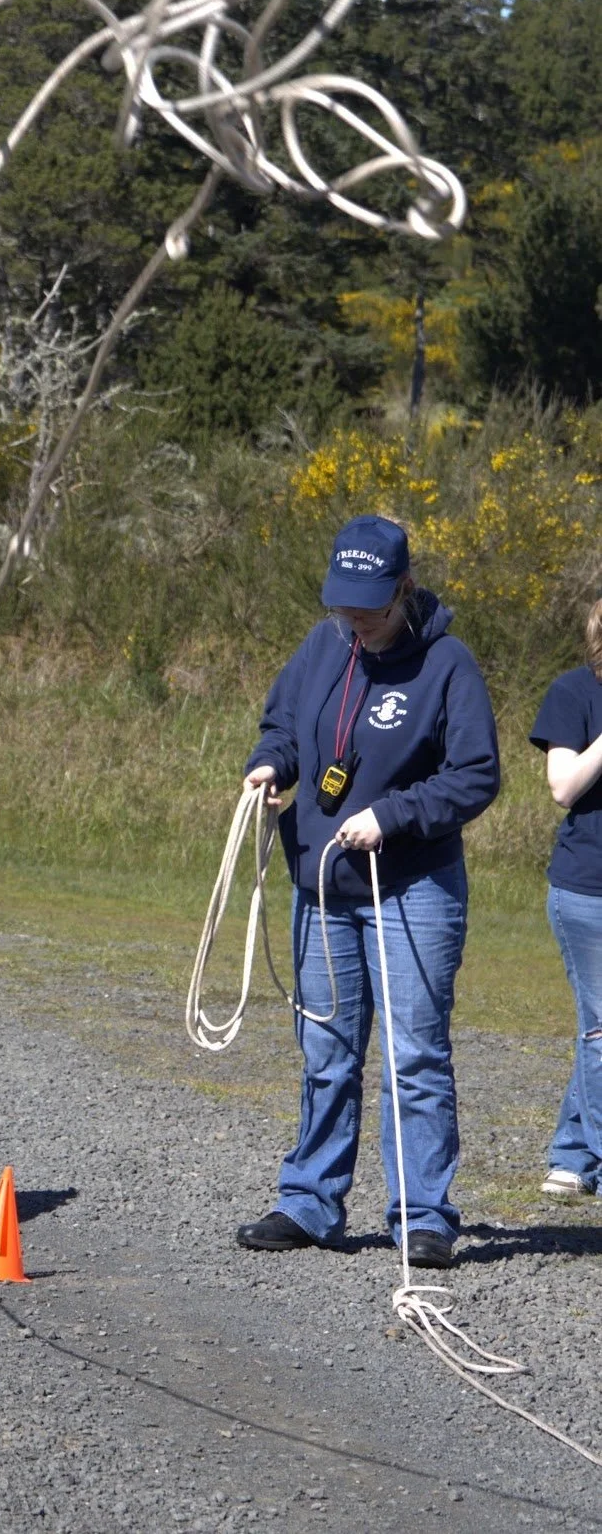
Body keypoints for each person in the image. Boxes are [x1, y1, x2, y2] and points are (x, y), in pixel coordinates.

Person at [235, 514, 500, 1269]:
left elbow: (476, 774)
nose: (354, 621)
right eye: (342, 605)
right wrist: (270, 766)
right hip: (323, 885)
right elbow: (283, 725)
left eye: (369, 608)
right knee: (327, 1049)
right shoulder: (323, 646)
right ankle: (310, 1201)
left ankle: (423, 1214)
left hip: (412, 887)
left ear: (403, 589)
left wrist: (395, 814)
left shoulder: (448, 664)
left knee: (413, 1055)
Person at [528, 601, 602, 1199]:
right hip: (588, 891)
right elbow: (563, 786)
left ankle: (573, 1155)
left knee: (597, 1027)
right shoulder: (574, 693)